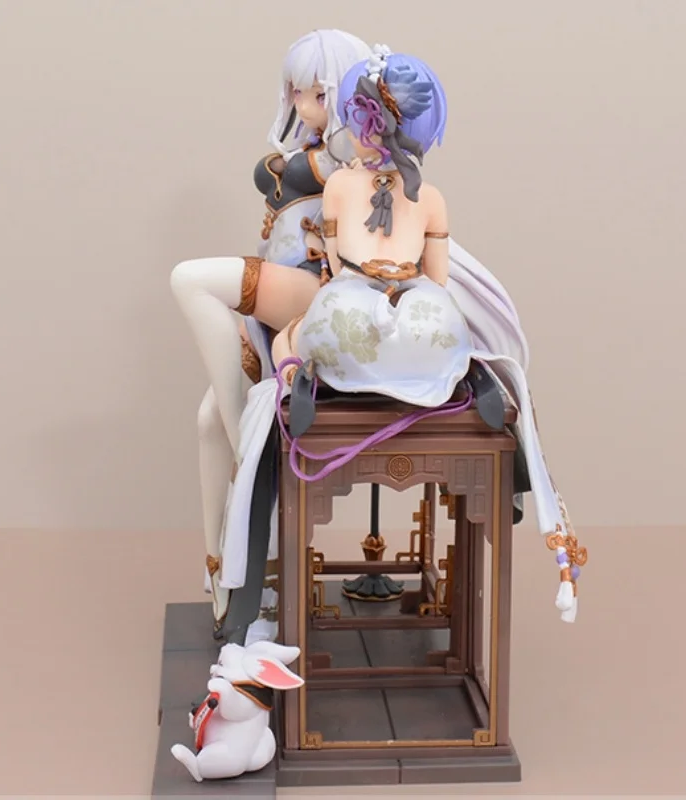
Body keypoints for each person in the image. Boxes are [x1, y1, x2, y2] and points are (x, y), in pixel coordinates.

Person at [234, 46, 585, 627]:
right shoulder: (433, 197)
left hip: (351, 317)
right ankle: (455, 377)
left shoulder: (340, 185)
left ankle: (297, 380)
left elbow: (335, 265)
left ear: (359, 119)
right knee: (447, 329)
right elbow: (438, 278)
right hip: (424, 324)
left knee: (288, 337)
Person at [169, 29, 372, 642]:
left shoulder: (354, 146)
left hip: (313, 288)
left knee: (190, 279)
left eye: (318, 93)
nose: (303, 104)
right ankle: (225, 584)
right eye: (296, 91)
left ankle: (251, 446)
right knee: (207, 419)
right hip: (278, 296)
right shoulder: (314, 142)